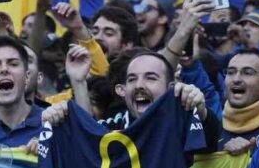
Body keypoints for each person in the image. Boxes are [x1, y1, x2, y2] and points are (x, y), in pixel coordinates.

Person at [44, 51, 221, 153]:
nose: (139, 86)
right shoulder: (113, 127)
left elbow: (210, 140)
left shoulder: (183, 122)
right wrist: (49, 134)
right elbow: (85, 142)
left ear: (171, 87)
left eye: (150, 78)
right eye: (132, 79)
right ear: (122, 90)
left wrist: (201, 111)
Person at [221, 49, 259, 154]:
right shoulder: (210, 126)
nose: (236, 79)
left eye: (247, 73)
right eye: (230, 72)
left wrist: (254, 155)